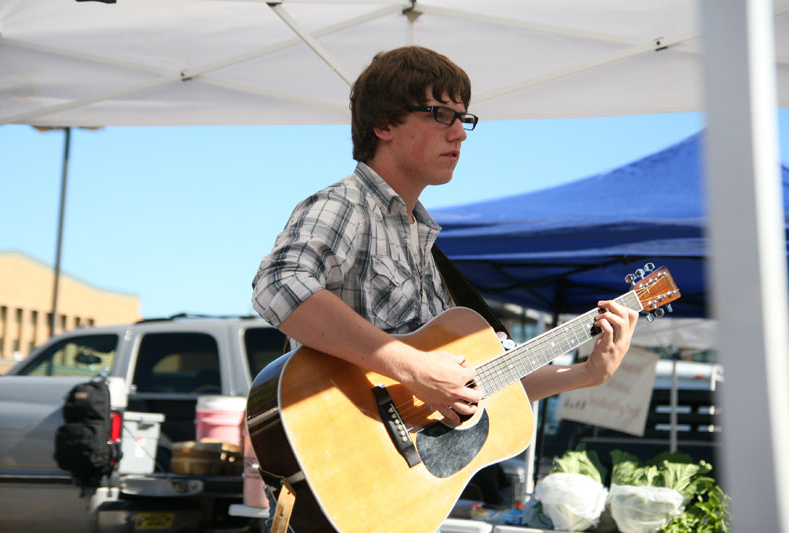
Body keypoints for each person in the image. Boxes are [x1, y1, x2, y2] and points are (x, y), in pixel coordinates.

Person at [251, 45, 637, 529]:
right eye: (440, 115)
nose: (459, 133)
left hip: (393, 499)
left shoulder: (423, 244)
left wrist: (584, 375)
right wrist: (413, 366)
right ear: (383, 125)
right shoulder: (345, 203)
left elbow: (478, 382)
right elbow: (279, 285)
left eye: (462, 119)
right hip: (329, 486)